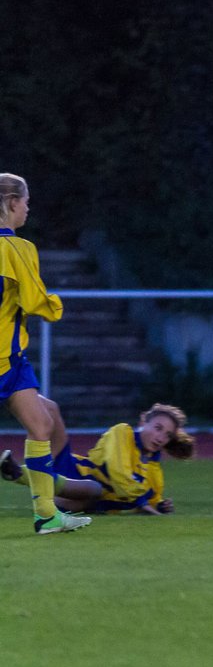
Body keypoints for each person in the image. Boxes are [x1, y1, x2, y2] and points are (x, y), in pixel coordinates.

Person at [0, 173, 92, 534]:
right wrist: (57, 304)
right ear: (11, 203)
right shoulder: (18, 248)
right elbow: (39, 303)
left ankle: (47, 515)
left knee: (42, 424)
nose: (27, 208)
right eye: (25, 201)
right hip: (5, 358)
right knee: (41, 426)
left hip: (13, 361)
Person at [2, 399, 195, 514]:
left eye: (167, 435)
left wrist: (159, 505)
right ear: (144, 421)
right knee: (51, 408)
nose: (161, 437)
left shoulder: (153, 467)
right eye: (158, 428)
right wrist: (142, 503)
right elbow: (119, 473)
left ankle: (21, 475)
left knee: (95, 494)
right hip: (73, 470)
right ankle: (10, 390)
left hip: (82, 500)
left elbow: (151, 495)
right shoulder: (123, 433)